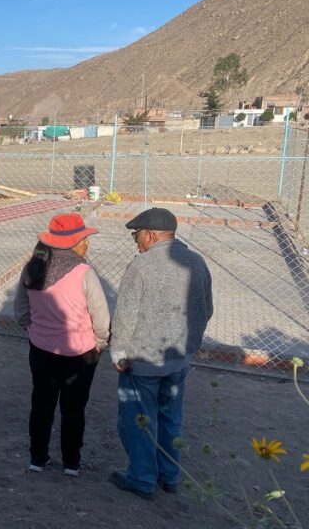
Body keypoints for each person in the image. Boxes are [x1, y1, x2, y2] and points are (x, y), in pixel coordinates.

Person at [109, 207, 213, 500]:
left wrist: (118, 352)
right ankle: (170, 475)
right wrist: (190, 343)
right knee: (171, 417)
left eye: (136, 234)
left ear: (150, 234)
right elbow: (207, 309)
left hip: (142, 361)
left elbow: (126, 314)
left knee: (138, 419)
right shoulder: (196, 262)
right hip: (179, 359)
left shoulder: (141, 266)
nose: (135, 240)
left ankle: (142, 479)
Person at [14, 213, 110, 476]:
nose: (87, 244)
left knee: (42, 403)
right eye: (83, 239)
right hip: (79, 354)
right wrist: (100, 342)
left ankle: (37, 458)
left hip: (41, 349)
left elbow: (20, 308)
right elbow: (100, 315)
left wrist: (33, 330)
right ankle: (71, 463)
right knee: (74, 409)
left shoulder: (32, 267)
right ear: (71, 243)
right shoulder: (83, 272)